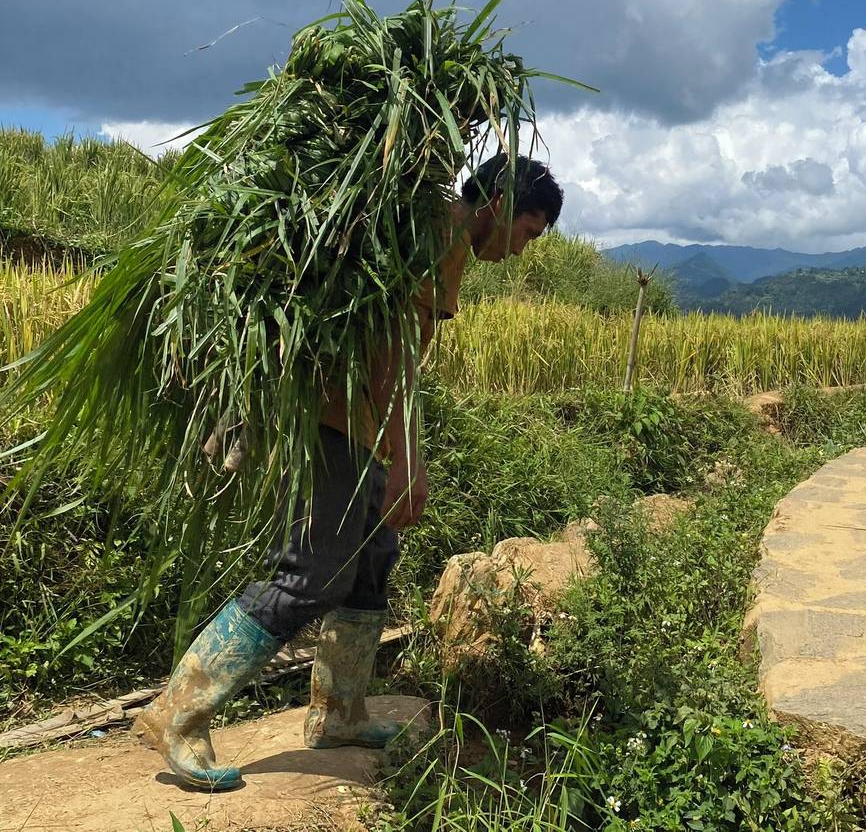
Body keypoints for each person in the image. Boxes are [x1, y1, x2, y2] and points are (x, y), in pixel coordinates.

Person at [133, 155, 563, 790]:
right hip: (330, 420)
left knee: (372, 558)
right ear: (498, 205)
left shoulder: (433, 232)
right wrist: (408, 456)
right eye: (527, 231)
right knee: (311, 573)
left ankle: (340, 713)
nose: (521, 249)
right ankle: (179, 713)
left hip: (355, 424)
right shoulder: (439, 235)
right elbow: (395, 350)